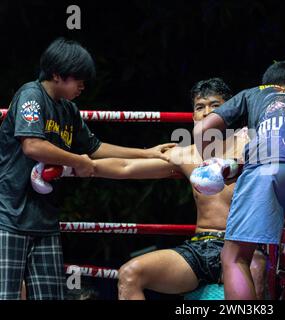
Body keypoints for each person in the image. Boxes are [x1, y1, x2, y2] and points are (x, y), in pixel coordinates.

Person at [0, 37, 173, 300]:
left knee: (50, 297)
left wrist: (146, 151)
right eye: (78, 79)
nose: (82, 86)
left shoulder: (68, 110)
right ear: (57, 75)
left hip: (44, 220)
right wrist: (77, 160)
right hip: (8, 216)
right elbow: (33, 145)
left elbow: (95, 148)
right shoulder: (31, 96)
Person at [89, 78, 267, 300]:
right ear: (193, 116)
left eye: (215, 106)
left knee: (257, 272)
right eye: (200, 107)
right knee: (130, 274)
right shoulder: (187, 154)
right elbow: (126, 166)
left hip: (242, 246)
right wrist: (82, 164)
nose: (206, 112)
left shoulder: (252, 146)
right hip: (200, 248)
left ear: (230, 110)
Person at [193, 60, 285, 300]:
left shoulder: (255, 93)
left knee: (235, 257)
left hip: (268, 163)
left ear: (267, 85)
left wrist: (213, 162)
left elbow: (203, 130)